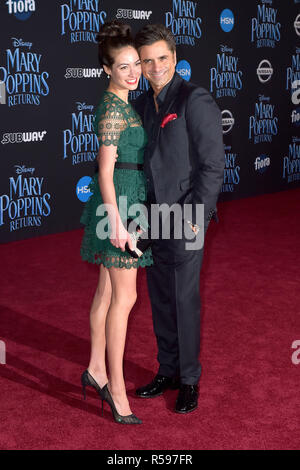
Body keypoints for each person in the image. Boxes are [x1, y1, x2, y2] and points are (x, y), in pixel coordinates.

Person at [133, 24, 225, 413]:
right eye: (146, 60)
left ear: (174, 57)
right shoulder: (140, 105)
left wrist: (198, 216)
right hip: (152, 217)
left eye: (162, 59)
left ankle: (188, 379)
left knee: (184, 298)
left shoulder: (194, 99)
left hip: (185, 215)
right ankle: (167, 370)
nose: (155, 67)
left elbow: (212, 165)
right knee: (160, 297)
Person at [80, 21, 153, 425]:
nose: (132, 72)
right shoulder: (112, 108)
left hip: (126, 199)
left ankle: (95, 367)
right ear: (106, 68)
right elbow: (106, 172)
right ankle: (117, 389)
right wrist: (118, 223)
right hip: (118, 205)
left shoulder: (122, 102)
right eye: (122, 66)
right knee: (126, 300)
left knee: (108, 293)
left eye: (134, 64)